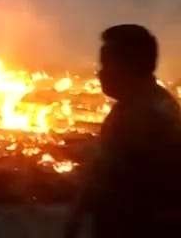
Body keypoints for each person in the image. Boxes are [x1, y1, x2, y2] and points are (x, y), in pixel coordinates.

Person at [66, 24, 181, 238]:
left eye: (106, 65)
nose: (100, 74)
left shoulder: (146, 116)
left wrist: (76, 218)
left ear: (129, 66)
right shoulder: (133, 106)